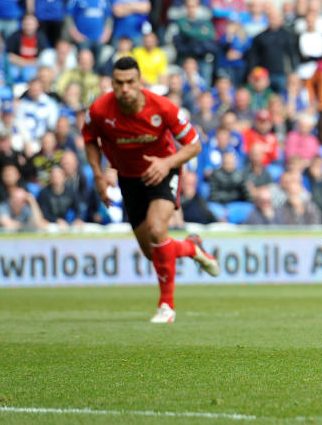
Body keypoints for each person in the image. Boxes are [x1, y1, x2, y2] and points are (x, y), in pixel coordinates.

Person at [82, 56, 219, 323]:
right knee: (152, 253)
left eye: (130, 82)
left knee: (158, 230)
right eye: (119, 83)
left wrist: (166, 163)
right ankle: (191, 248)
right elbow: (89, 139)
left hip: (163, 171)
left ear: (140, 82)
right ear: (112, 83)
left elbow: (194, 145)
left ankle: (166, 306)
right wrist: (99, 175)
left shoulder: (163, 108)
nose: (125, 89)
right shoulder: (99, 110)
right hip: (128, 179)